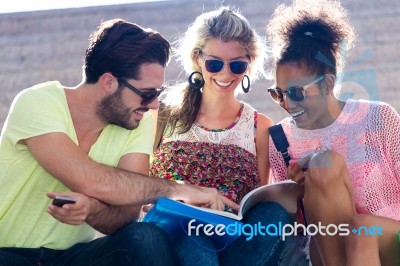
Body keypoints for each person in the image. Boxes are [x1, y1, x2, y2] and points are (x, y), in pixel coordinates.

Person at [0, 18, 238, 266]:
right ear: (109, 82)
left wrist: (93, 210)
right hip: (7, 254)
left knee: (145, 237)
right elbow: (90, 180)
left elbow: (126, 216)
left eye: (157, 94)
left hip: (74, 258)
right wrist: (178, 188)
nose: (154, 105)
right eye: (148, 94)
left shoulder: (136, 119)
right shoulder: (38, 102)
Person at [150, 7, 309, 265]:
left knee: (273, 214)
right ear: (197, 59)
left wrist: (290, 188)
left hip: (233, 244)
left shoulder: (259, 126)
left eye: (237, 65)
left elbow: (255, 200)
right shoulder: (163, 116)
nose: (226, 75)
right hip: (173, 234)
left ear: (249, 65)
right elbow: (138, 186)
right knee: (195, 240)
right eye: (215, 64)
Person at [266, 0, 400, 265]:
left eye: (296, 93)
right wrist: (296, 194)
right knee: (324, 164)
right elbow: (290, 229)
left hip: (390, 241)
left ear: (327, 84)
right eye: (278, 94)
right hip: (328, 253)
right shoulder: (281, 140)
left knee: (361, 230)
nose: (288, 104)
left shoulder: (378, 118)